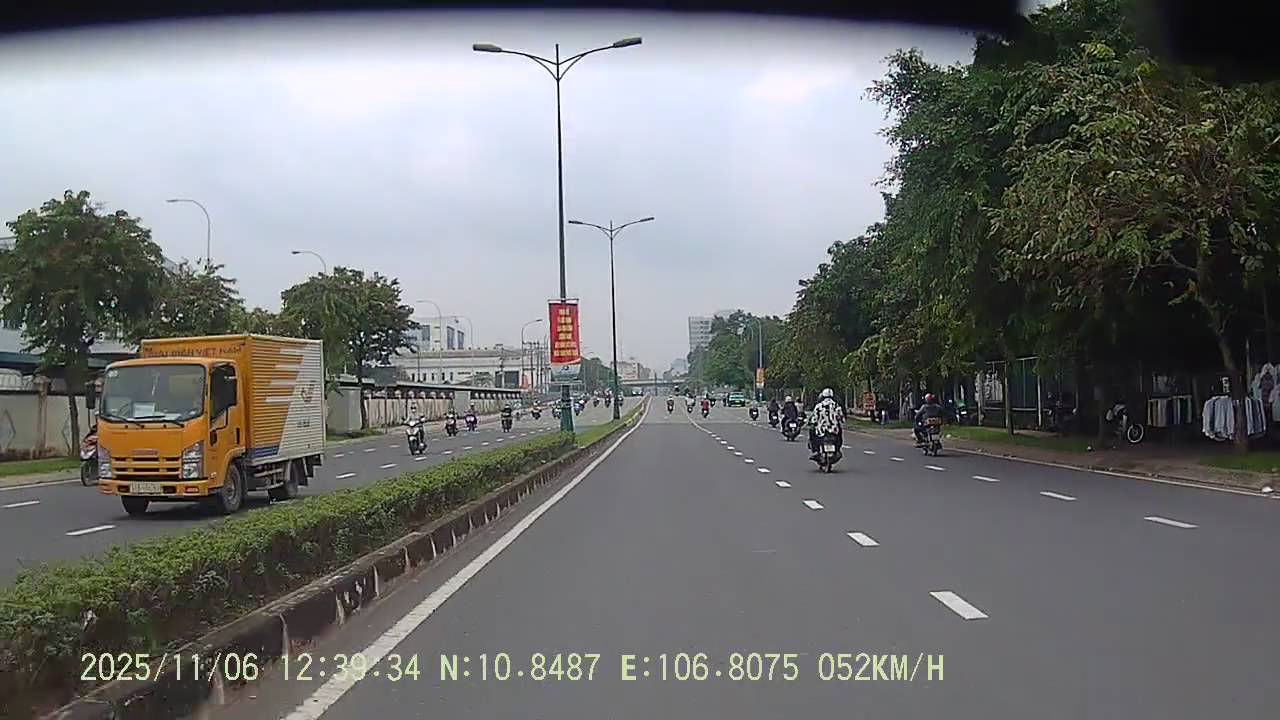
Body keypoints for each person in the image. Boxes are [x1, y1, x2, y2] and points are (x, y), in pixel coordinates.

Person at [808, 388, 844, 459]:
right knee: (839, 435)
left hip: (821, 430)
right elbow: (841, 418)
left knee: (812, 432)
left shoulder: (819, 406)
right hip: (834, 430)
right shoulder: (836, 406)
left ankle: (816, 450)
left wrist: (812, 422)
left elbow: (814, 418)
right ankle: (837, 450)